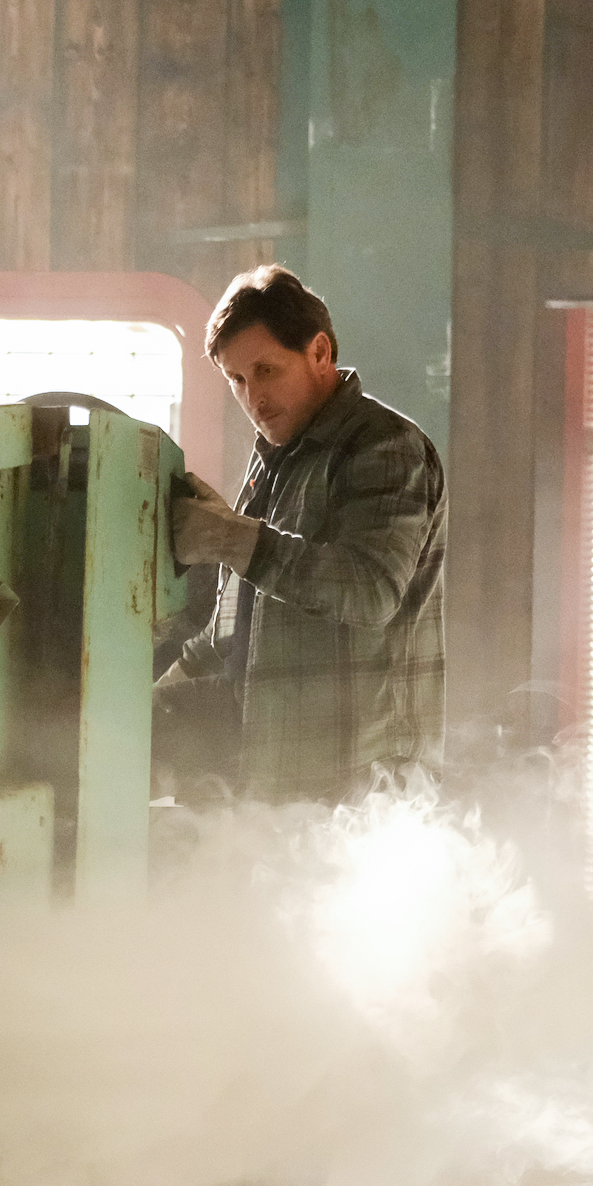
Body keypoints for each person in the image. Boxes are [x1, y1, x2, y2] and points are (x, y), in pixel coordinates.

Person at [162, 265, 446, 804]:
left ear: (319, 352)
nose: (253, 397)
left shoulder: (386, 446)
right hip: (281, 775)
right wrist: (153, 700)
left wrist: (230, 538)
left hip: (367, 790)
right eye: (237, 380)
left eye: (266, 370)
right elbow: (234, 624)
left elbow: (371, 589)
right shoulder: (273, 460)